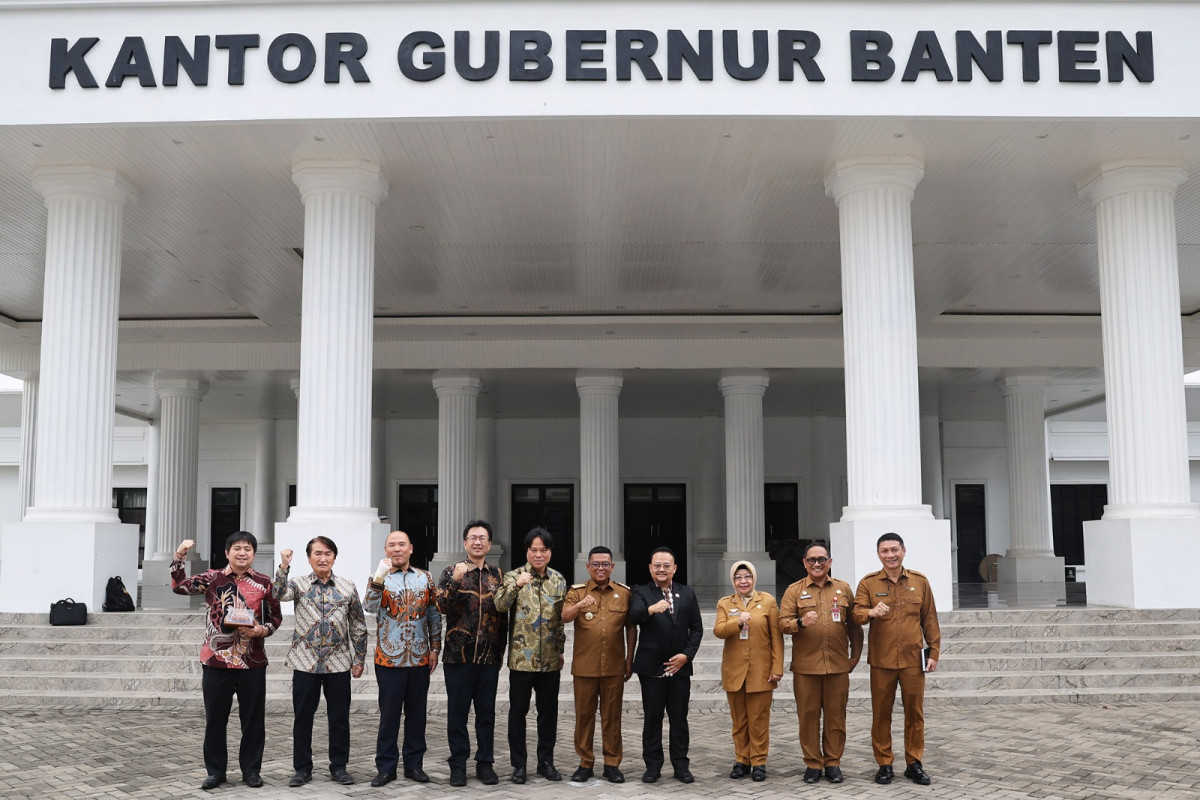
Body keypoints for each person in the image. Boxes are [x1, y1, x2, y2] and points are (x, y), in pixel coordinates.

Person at [171, 532, 282, 791]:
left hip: (252, 662)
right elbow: (179, 586)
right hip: (216, 661)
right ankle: (215, 772)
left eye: (247, 549)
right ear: (227, 553)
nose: (242, 553)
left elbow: (275, 617)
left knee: (253, 721)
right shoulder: (212, 578)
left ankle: (251, 771)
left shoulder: (265, 583)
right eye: (237, 548)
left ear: (254, 554)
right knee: (215, 720)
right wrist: (180, 555)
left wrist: (261, 630)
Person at [272, 536, 368, 788]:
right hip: (305, 662)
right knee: (303, 718)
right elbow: (277, 593)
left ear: (334, 557)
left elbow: (358, 624)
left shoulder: (347, 586)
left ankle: (339, 767)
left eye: (327, 553)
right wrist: (283, 566)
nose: (322, 558)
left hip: (339, 663)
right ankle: (302, 769)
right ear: (309, 558)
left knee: (339, 718)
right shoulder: (298, 584)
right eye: (317, 553)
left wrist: (359, 658)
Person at [854, 532, 941, 787]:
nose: (890, 555)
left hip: (913, 660)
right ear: (878, 554)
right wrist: (871, 612)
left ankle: (914, 763)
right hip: (882, 661)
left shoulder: (919, 581)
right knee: (881, 714)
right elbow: (856, 614)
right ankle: (884, 764)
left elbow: (930, 618)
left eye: (894, 550)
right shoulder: (868, 583)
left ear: (903, 551)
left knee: (915, 713)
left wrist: (934, 652)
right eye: (885, 551)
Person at [779, 540, 863, 785]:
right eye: (812, 560)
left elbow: (854, 625)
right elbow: (782, 623)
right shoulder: (794, 590)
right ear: (805, 563)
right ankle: (813, 763)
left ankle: (833, 762)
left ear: (830, 562)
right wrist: (800, 622)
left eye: (822, 559)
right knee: (808, 717)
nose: (817, 564)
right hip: (806, 667)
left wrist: (855, 655)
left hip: (837, 665)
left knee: (836, 716)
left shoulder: (843, 589)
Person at [363, 530, 442, 787]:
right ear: (386, 550)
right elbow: (369, 607)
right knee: (389, 716)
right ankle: (386, 768)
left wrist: (435, 647)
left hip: (419, 657)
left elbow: (433, 614)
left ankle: (414, 765)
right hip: (389, 659)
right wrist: (378, 577)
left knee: (417, 715)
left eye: (401, 544)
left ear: (411, 548)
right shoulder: (379, 578)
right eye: (391, 545)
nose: (397, 549)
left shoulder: (425, 577)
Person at [493, 527, 568, 784]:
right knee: (518, 713)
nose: (538, 555)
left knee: (548, 714)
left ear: (550, 552)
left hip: (550, 660)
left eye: (543, 550)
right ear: (527, 551)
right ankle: (519, 765)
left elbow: (560, 620)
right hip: (521, 661)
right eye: (534, 550)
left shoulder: (558, 579)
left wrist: (560, 650)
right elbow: (499, 605)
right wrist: (516, 586)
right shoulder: (513, 576)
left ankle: (546, 762)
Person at [436, 519, 507, 787]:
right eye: (473, 538)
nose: (478, 542)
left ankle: (485, 763)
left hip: (488, 657)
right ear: (465, 543)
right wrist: (455, 581)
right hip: (458, 656)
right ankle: (458, 764)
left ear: (489, 544)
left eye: (482, 538)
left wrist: (501, 651)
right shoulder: (451, 572)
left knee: (486, 714)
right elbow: (441, 607)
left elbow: (503, 618)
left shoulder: (497, 576)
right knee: (458, 714)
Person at [628, 546, 703, 784]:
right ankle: (653, 766)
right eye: (657, 565)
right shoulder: (641, 592)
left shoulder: (687, 593)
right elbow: (633, 616)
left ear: (675, 568)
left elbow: (697, 628)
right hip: (652, 667)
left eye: (666, 565)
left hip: (680, 667)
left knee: (679, 718)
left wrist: (686, 656)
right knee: (653, 718)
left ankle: (681, 765)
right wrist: (650, 609)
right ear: (650, 568)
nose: (662, 569)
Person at [562, 545, 635, 784]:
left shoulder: (624, 593)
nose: (600, 568)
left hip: (614, 666)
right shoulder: (577, 592)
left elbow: (631, 627)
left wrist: (629, 659)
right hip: (585, 667)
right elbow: (564, 617)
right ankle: (585, 763)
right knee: (584, 716)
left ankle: (612, 764)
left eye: (605, 564)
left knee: (612, 717)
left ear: (612, 567)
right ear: (588, 567)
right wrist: (579, 606)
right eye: (596, 564)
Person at [713, 560, 783, 782]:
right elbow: (719, 630)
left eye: (747, 576)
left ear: (754, 578)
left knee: (759, 720)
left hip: (761, 671)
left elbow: (776, 637)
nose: (743, 581)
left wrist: (777, 667)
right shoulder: (725, 603)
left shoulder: (768, 601)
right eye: (738, 577)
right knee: (739, 720)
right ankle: (742, 759)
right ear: (732, 581)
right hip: (734, 671)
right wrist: (737, 621)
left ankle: (759, 761)